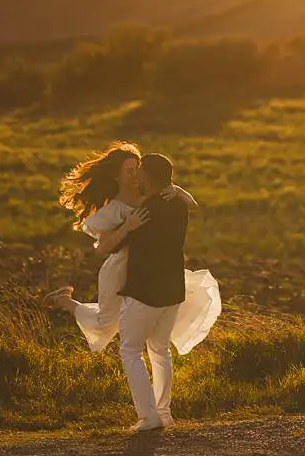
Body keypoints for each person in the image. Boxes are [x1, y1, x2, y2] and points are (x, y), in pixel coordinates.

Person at [43, 143, 220, 369]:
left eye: (137, 168)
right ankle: (66, 301)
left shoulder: (152, 193)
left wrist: (176, 189)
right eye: (129, 171)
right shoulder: (112, 209)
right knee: (106, 324)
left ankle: (151, 374)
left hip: (150, 268)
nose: (136, 174)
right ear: (116, 177)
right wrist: (127, 227)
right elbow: (103, 247)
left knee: (156, 325)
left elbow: (191, 205)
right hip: (119, 269)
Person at [116, 152, 192, 431]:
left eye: (140, 171)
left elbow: (118, 243)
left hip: (145, 290)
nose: (136, 175)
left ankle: (148, 417)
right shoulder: (178, 205)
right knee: (160, 349)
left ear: (148, 175)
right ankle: (164, 413)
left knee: (130, 350)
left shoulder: (144, 210)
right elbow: (187, 200)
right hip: (172, 288)